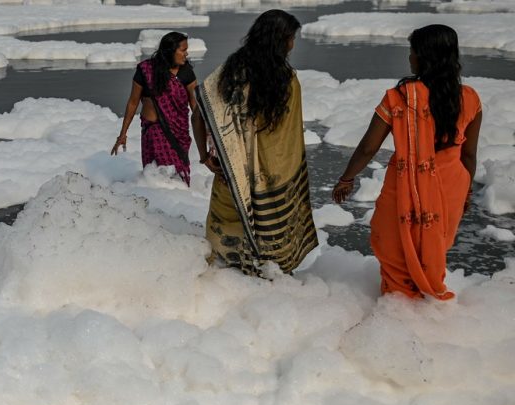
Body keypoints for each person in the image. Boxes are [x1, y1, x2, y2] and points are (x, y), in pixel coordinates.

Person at [332, 24, 482, 300]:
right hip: (451, 184)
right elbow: (469, 155)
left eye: (412, 52)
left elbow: (368, 147)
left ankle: (400, 306)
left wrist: (346, 178)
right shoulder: (470, 98)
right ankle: (424, 307)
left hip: (406, 185)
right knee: (433, 244)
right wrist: (467, 191)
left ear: (424, 56)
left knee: (393, 242)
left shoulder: (400, 97)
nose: (409, 58)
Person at [192, 9, 318, 276]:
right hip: (274, 176)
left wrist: (205, 155)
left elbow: (200, 112)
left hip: (230, 172)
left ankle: (225, 280)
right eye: (291, 38)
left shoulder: (230, 72)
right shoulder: (286, 81)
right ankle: (266, 274)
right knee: (269, 232)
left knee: (226, 230)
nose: (293, 44)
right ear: (280, 40)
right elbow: (288, 136)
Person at [111, 32, 198, 185]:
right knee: (155, 178)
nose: (187, 53)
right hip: (153, 133)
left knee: (178, 178)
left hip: (178, 135)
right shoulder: (146, 71)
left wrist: (208, 133)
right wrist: (122, 134)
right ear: (171, 51)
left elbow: (196, 106)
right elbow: (133, 102)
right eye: (183, 50)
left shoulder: (186, 73)